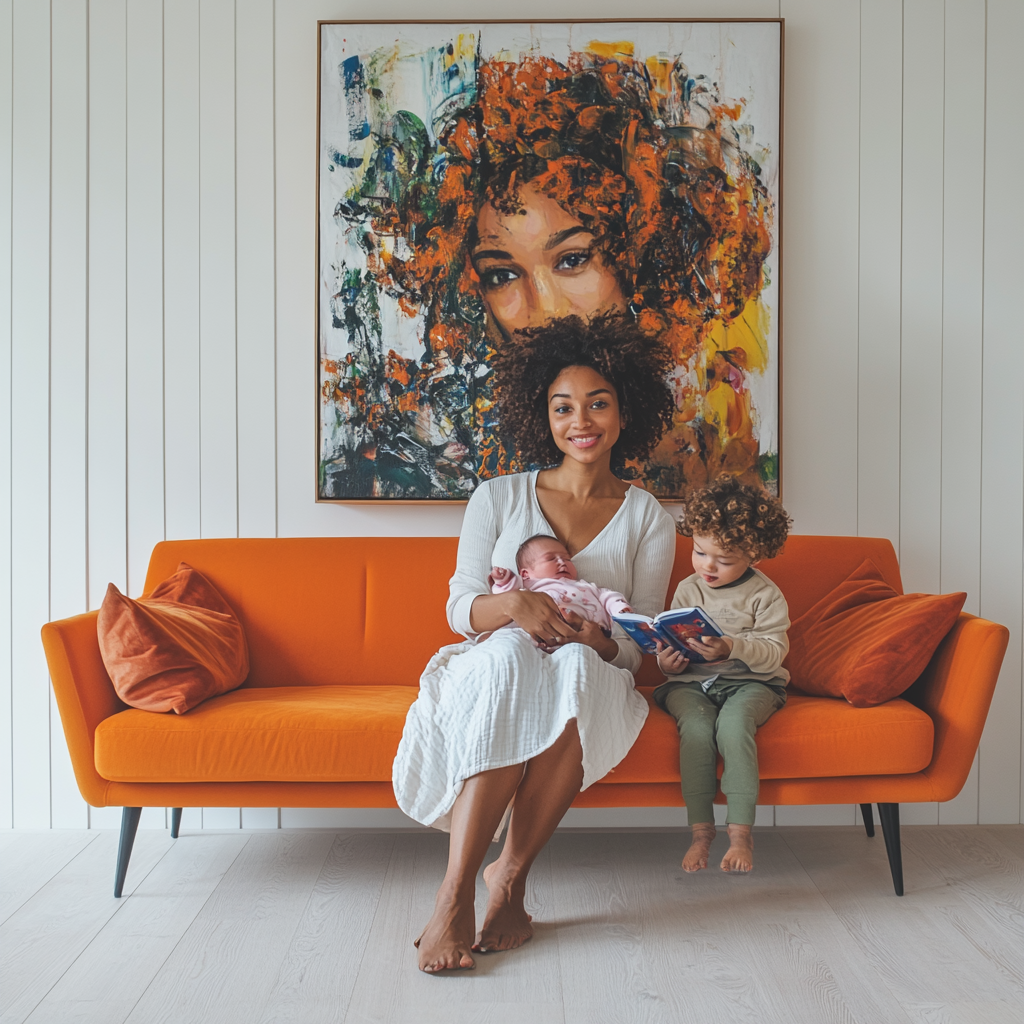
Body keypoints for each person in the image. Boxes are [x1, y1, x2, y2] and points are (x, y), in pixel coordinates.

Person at [321, 48, 775, 499]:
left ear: (640, 255)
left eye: (573, 259)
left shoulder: (702, 451)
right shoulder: (451, 463)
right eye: (501, 275)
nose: (548, 307)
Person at [392, 314, 676, 972]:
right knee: (512, 660)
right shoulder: (497, 497)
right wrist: (515, 605)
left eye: (598, 402)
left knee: (576, 663)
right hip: (497, 659)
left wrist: (597, 640)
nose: (581, 419)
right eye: (563, 406)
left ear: (624, 411)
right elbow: (462, 609)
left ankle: (510, 881)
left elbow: (641, 645)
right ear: (542, 416)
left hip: (589, 670)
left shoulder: (648, 518)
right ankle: (454, 892)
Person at [653, 477, 792, 873]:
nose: (707, 566)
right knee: (696, 731)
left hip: (752, 683)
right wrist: (668, 662)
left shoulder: (765, 595)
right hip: (690, 684)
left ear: (754, 555)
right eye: (699, 552)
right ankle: (701, 833)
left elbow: (774, 653)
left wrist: (732, 647)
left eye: (725, 559)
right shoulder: (688, 587)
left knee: (733, 727)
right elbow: (670, 642)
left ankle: (740, 834)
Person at [488, 534, 632, 636]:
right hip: (540, 634)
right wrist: (503, 579)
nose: (562, 562)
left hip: (589, 637)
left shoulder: (586, 587)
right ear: (526, 574)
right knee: (512, 641)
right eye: (551, 559)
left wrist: (620, 609)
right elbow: (509, 596)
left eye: (567, 559)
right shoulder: (530, 585)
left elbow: (608, 596)